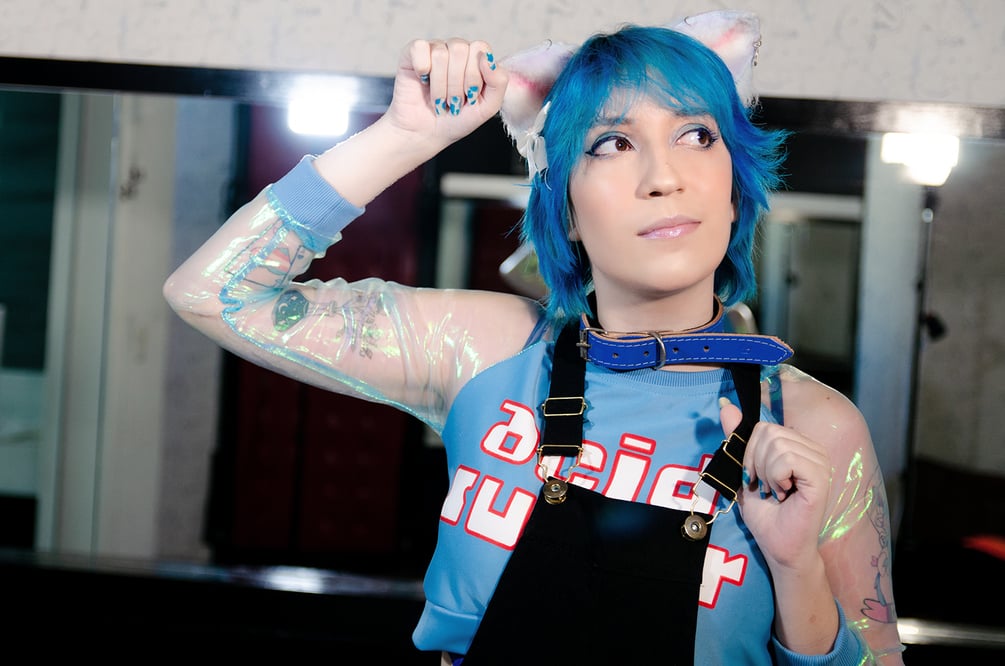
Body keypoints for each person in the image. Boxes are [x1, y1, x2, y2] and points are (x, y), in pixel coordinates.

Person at [164, 9, 905, 664]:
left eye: (695, 135)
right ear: (566, 209)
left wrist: (797, 571)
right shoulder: (488, 353)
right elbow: (216, 294)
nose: (663, 176)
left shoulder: (814, 428)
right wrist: (404, 136)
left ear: (735, 186)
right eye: (612, 143)